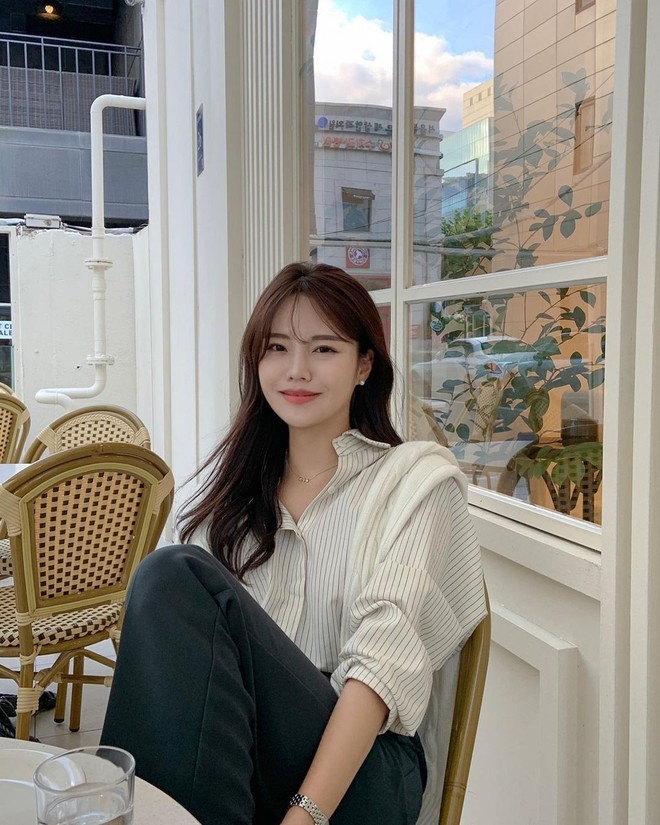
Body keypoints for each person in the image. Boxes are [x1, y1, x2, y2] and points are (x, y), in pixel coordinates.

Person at [101, 262, 487, 825]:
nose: (297, 370)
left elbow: (380, 671)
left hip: (362, 773)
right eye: (277, 348)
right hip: (244, 755)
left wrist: (303, 817)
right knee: (167, 581)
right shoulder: (230, 498)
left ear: (364, 365)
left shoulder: (414, 482)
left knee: (170, 572)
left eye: (324, 349)